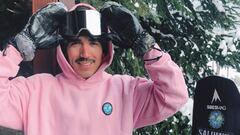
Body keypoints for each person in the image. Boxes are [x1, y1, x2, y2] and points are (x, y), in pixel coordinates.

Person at [0, 1, 188, 135]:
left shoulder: (126, 91)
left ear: (105, 48)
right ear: (64, 49)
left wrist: (147, 46)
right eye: (75, 43)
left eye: (93, 43)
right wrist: (18, 48)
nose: (85, 52)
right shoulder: (36, 91)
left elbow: (173, 95)